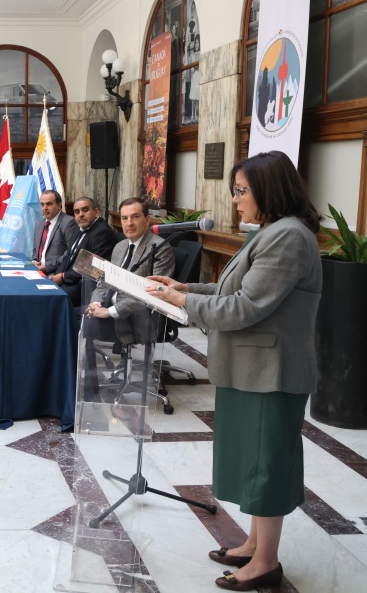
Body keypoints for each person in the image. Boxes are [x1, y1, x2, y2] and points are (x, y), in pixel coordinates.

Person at [148, 151, 322, 592]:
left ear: (269, 189)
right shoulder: (269, 231)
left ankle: (265, 562)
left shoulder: (288, 237)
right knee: (251, 461)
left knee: (266, 465)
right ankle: (253, 544)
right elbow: (234, 289)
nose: (235, 200)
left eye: (241, 190)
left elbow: (247, 306)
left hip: (271, 371)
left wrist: (183, 303)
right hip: (249, 368)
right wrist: (185, 287)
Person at [85, 196, 174, 345]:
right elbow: (104, 281)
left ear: (147, 219)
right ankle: (82, 367)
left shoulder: (159, 248)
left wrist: (109, 312)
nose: (129, 223)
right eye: (124, 218)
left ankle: (86, 367)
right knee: (67, 316)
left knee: (75, 325)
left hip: (134, 319)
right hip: (107, 306)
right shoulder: (120, 246)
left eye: (135, 217)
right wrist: (95, 303)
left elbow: (154, 294)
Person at [51, 196, 119, 307]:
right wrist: (57, 275)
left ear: (96, 212)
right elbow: (69, 255)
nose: (80, 214)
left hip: (83, 286)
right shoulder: (79, 227)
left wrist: (63, 276)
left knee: (53, 299)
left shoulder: (102, 232)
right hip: (69, 279)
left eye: (85, 210)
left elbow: (93, 269)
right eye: (77, 212)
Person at [32, 190, 77, 276]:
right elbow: (35, 251)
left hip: (55, 273)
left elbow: (70, 252)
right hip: (37, 271)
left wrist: (46, 267)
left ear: (59, 205)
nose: (45, 208)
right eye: (42, 204)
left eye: (49, 204)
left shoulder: (68, 222)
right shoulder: (40, 224)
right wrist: (34, 262)